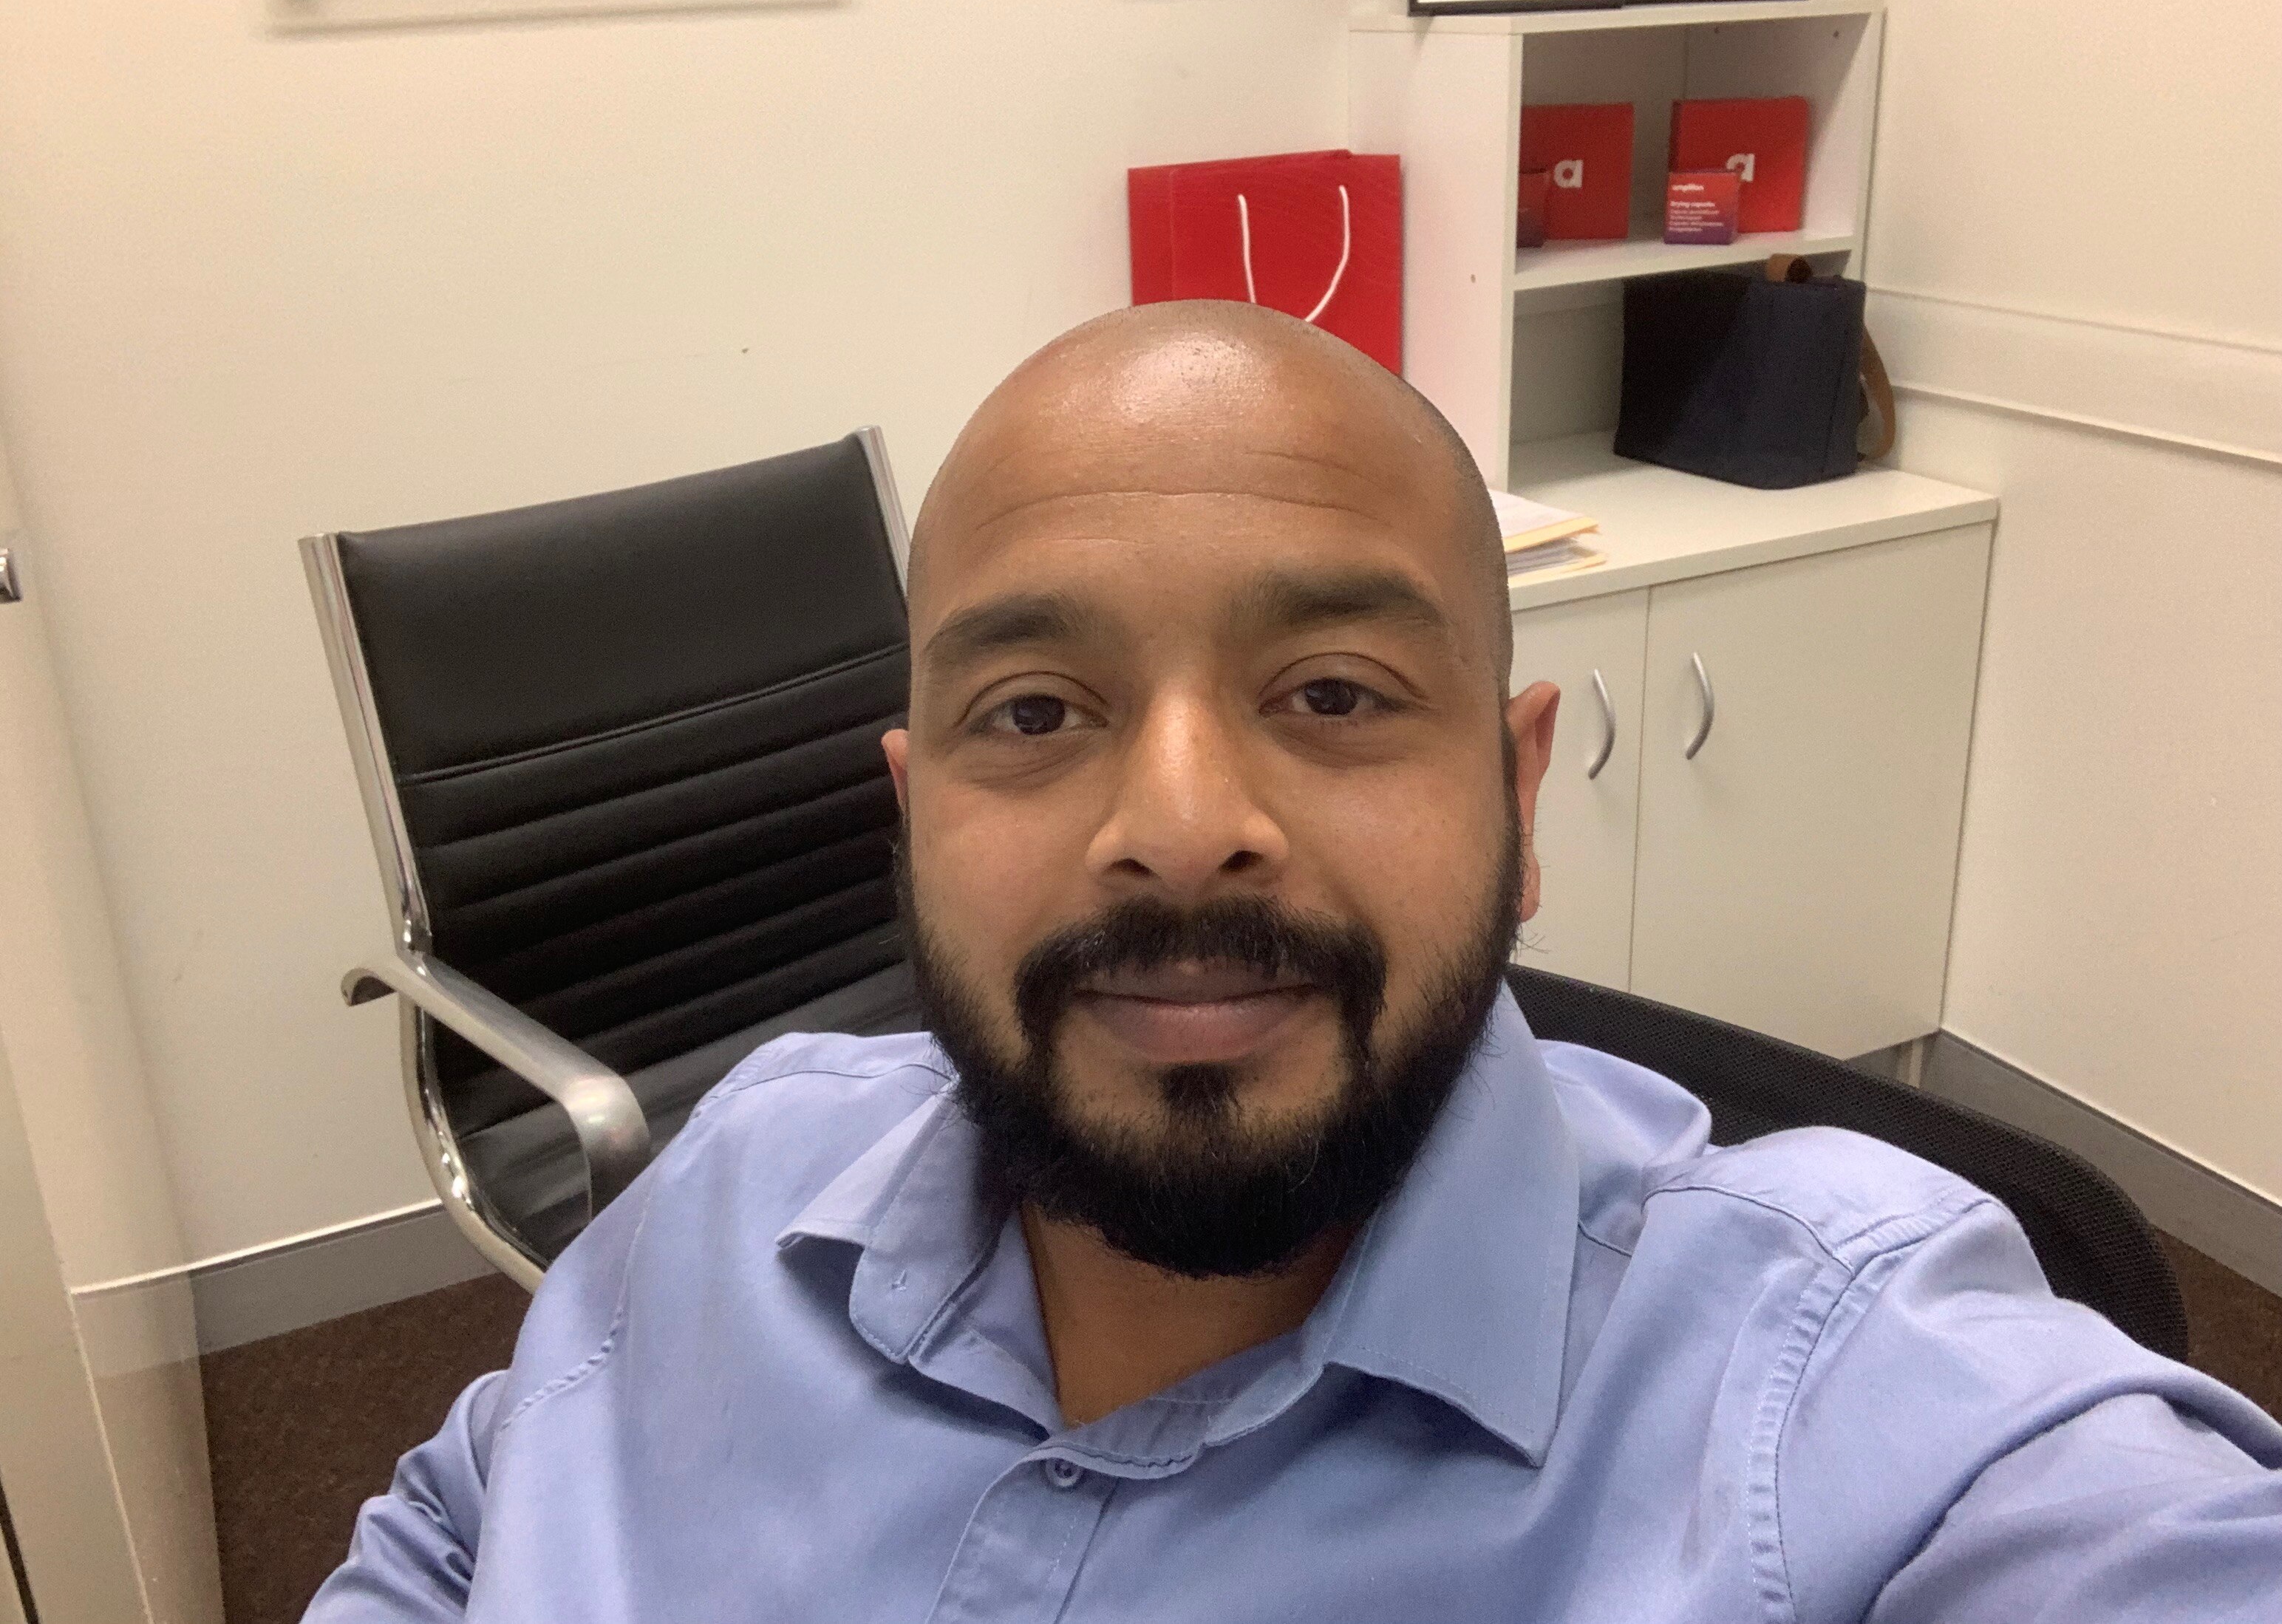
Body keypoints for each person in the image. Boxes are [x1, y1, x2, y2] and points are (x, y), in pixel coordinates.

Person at [307, 303, 2282, 1623]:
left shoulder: (1839, 1405)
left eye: (1331, 689)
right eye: (1033, 709)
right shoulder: (738, 1177)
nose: (1178, 819)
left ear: (1517, 798)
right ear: (910, 818)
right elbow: (464, 1519)